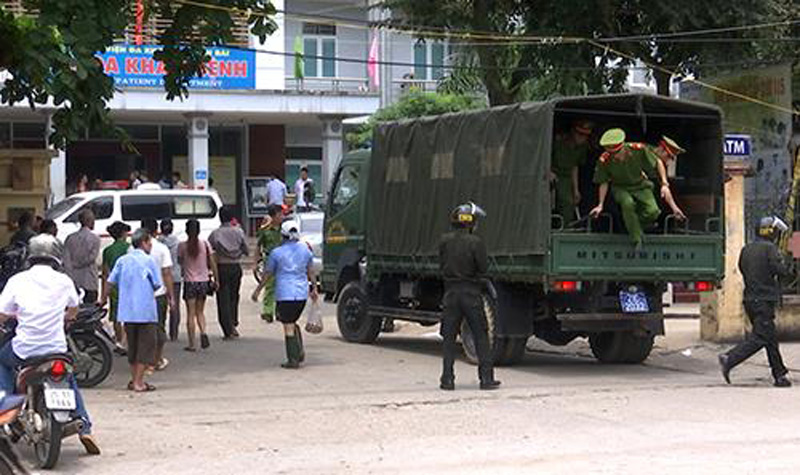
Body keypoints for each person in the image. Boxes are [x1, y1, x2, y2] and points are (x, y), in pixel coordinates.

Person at [0, 234, 100, 454]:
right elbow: (73, 307)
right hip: (55, 347)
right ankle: (85, 428)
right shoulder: (64, 281)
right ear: (56, 256)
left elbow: (3, 313)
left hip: (25, 348)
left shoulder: (18, 280)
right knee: (67, 376)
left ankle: (7, 411)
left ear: (30, 255)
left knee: (2, 361)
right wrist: (66, 319)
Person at [719, 216, 793, 388]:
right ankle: (729, 358)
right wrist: (787, 260)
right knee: (761, 337)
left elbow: (742, 268)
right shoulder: (770, 249)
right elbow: (781, 271)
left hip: (750, 299)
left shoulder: (747, 249)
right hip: (763, 300)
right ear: (771, 231)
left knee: (769, 338)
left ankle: (780, 375)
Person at [438, 202, 501, 391]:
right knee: (480, 335)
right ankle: (486, 379)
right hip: (471, 293)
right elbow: (483, 268)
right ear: (471, 223)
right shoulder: (476, 242)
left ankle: (447, 379)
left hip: (450, 293)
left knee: (448, 338)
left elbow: (441, 265)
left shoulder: (444, 241)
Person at [589, 128, 684, 248]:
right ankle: (636, 239)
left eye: (617, 153)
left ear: (623, 147)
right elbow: (603, 182)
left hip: (641, 186)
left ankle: (631, 226)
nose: (615, 157)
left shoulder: (638, 150)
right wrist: (600, 205)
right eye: (611, 154)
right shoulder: (605, 159)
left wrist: (667, 190)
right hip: (621, 188)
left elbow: (659, 164)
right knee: (627, 203)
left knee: (653, 212)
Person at [102, 228, 161, 392]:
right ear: (143, 243)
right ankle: (138, 382)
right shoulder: (148, 261)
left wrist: (102, 299)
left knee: (133, 347)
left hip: (127, 311)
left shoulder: (122, 260)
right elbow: (157, 284)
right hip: (145, 311)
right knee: (145, 346)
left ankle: (134, 378)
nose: (150, 245)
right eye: (149, 242)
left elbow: (110, 280)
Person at [260, 219, 317, 368]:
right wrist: (314, 289)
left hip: (285, 293)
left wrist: (258, 289)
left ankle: (293, 359)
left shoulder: (276, 253)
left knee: (288, 326)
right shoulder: (306, 250)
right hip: (301, 293)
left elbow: (267, 273)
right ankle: (298, 351)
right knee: (292, 321)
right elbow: (311, 271)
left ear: (282, 235)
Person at [178, 219, 218, 351]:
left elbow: (180, 261)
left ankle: (191, 344)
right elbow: (212, 262)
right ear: (199, 230)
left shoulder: (182, 246)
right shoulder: (205, 244)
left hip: (190, 282)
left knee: (190, 313)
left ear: (186, 230)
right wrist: (216, 279)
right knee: (200, 312)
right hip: (203, 281)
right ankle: (203, 332)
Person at [209, 207, 249, 339]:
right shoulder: (239, 232)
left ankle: (227, 329)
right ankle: (233, 322)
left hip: (222, 267)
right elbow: (246, 250)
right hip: (235, 267)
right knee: (234, 296)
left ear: (220, 217)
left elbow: (210, 252)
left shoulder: (215, 234)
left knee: (222, 299)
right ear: (232, 218)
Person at [140, 219, 175, 372]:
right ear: (156, 231)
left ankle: (145, 361)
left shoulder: (132, 249)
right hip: (158, 294)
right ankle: (155, 360)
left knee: (143, 329)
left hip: (140, 295)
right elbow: (167, 273)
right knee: (158, 327)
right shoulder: (161, 249)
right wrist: (171, 295)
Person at [551, 120, 593, 223]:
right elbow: (545, 157)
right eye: (580, 134)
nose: (582, 138)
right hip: (553, 174)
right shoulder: (558, 141)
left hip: (566, 177)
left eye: (585, 135)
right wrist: (549, 171)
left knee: (569, 202)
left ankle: (566, 227)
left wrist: (576, 189)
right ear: (573, 132)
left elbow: (575, 167)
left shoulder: (582, 147)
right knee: (561, 201)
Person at [101, 221, 131, 353]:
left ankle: (119, 341)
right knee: (129, 316)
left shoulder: (107, 251)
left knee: (116, 317)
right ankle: (126, 342)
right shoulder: (129, 248)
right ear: (123, 233)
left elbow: (105, 273)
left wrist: (103, 294)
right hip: (128, 285)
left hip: (114, 286)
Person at [252, 204, 284, 322]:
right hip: (269, 260)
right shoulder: (265, 230)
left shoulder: (284, 229)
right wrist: (255, 263)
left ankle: (279, 311)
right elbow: (258, 246)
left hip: (283, 261)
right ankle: (268, 311)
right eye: (280, 214)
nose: (282, 216)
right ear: (273, 216)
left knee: (281, 286)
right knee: (269, 285)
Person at [63, 209, 101, 303]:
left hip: (74, 280)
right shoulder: (95, 238)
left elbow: (66, 260)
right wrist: (79, 264)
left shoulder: (70, 238)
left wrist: (72, 269)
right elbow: (92, 258)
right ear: (89, 221)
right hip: (89, 280)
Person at [159, 219, 183, 341]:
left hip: (161, 277)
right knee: (175, 304)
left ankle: (161, 330)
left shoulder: (157, 244)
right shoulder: (178, 243)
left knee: (161, 305)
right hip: (176, 276)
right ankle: (174, 333)